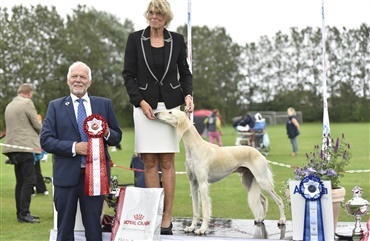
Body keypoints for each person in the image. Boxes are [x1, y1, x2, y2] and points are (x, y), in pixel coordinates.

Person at [122, 0, 193, 235]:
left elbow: (185, 72)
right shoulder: (135, 39)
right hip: (144, 108)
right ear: (147, 15)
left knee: (168, 163)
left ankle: (167, 216)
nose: (154, 16)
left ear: (166, 17)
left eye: (159, 13)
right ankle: (154, 211)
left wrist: (189, 95)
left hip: (171, 107)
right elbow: (128, 75)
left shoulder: (178, 40)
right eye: (151, 12)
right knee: (149, 162)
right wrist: (140, 102)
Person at [40, 61, 122, 241]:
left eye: (82, 77)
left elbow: (117, 137)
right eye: (74, 76)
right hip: (65, 177)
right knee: (64, 229)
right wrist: (74, 148)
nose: (78, 80)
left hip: (96, 178)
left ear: (89, 82)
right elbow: (45, 140)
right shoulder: (55, 106)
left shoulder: (104, 104)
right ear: (68, 80)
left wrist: (107, 132)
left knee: (94, 229)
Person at [2, 83, 41, 223]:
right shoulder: (27, 103)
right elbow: (36, 124)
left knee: (20, 182)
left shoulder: (10, 105)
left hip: (12, 148)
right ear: (29, 93)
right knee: (30, 180)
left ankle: (21, 213)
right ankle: (25, 213)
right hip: (25, 147)